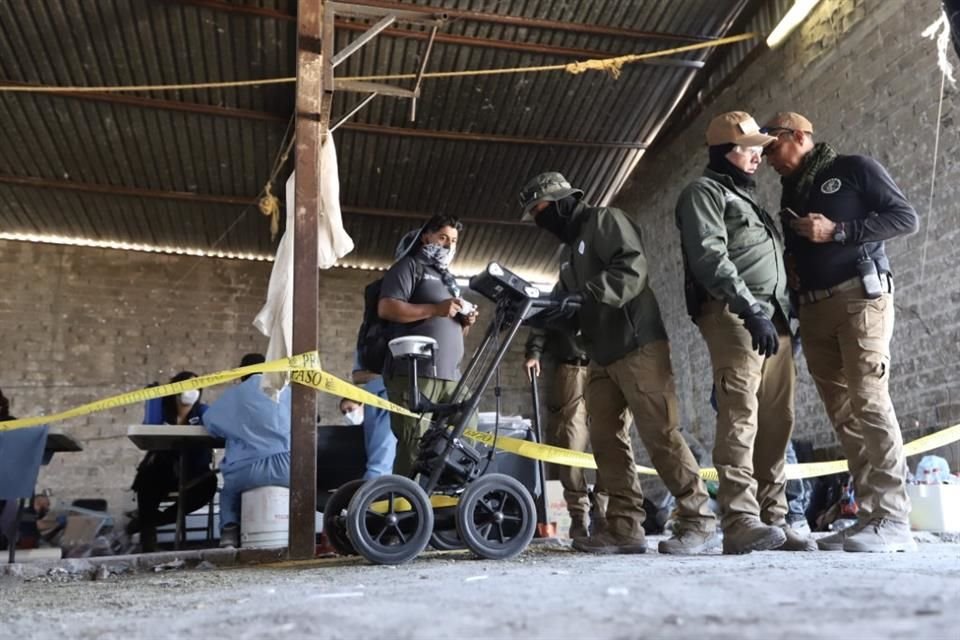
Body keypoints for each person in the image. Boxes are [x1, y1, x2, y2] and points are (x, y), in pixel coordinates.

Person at [520, 171, 717, 555]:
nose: (540, 221)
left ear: (562, 202)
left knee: (660, 433)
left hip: (637, 343)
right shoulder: (568, 255)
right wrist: (536, 313)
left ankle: (698, 520)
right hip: (600, 354)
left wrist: (586, 296)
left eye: (541, 210)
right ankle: (625, 527)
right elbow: (562, 301)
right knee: (607, 442)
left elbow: (631, 267)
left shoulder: (605, 221)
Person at [762, 111, 919, 552]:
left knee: (869, 399)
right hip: (812, 310)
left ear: (798, 136)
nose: (768, 158)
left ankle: (893, 518)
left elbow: (905, 218)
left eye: (772, 147)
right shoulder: (791, 192)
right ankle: (870, 515)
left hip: (859, 298)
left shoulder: (852, 169)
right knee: (844, 413)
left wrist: (839, 231)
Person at [675, 111, 814, 554]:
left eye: (760, 148)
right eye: (748, 148)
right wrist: (749, 308)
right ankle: (740, 519)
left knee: (778, 421)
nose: (758, 156)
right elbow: (710, 256)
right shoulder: (704, 193)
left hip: (773, 319)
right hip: (735, 314)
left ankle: (774, 518)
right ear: (722, 153)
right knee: (740, 415)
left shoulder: (747, 198)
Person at [378, 214, 479, 477]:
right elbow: (387, 307)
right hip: (414, 373)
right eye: (443, 238)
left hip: (451, 375)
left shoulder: (449, 280)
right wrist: (436, 308)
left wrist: (465, 320)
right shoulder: (409, 267)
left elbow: (453, 330)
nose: (448, 246)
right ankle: (403, 508)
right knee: (414, 445)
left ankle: (447, 501)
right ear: (427, 237)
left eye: (454, 241)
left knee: (467, 429)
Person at [524, 325, 607, 539]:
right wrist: (534, 354)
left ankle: (602, 515)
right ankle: (579, 517)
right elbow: (543, 324)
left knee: (611, 444)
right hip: (573, 370)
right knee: (571, 444)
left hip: (609, 369)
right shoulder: (567, 290)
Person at [202, 353, 292, 548]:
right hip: (288, 468)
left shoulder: (236, 393)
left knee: (229, 493)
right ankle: (301, 532)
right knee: (302, 490)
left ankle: (229, 532)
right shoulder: (285, 390)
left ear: (241, 373)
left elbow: (210, 422)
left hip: (247, 470)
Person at [127, 371, 217, 552]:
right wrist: (154, 398)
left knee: (209, 485)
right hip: (163, 468)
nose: (192, 391)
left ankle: (147, 522)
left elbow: (216, 430)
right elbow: (150, 428)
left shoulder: (202, 412)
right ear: (175, 389)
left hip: (195, 469)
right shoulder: (162, 410)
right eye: (187, 386)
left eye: (196, 387)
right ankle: (148, 541)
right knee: (147, 479)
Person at [351, 351, 397, 479]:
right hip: (373, 398)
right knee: (378, 459)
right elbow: (357, 376)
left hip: (395, 398)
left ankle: (369, 495)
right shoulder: (369, 336)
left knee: (380, 463)